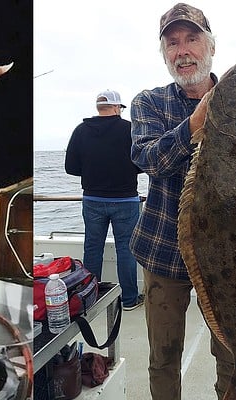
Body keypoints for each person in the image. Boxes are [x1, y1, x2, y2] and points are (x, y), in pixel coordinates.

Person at [129, 4, 236, 400]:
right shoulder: (150, 102)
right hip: (164, 254)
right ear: (164, 54)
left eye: (191, 39)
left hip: (231, 260)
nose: (183, 51)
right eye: (172, 43)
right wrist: (194, 126)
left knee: (233, 357)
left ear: (210, 46)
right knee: (163, 358)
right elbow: (147, 158)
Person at [65, 90, 144, 310]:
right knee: (126, 250)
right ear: (117, 108)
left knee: (92, 249)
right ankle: (129, 300)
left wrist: (93, 171)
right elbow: (142, 162)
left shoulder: (81, 131)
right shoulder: (130, 129)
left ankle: (90, 300)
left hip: (92, 199)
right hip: (126, 200)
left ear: (99, 108)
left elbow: (70, 167)